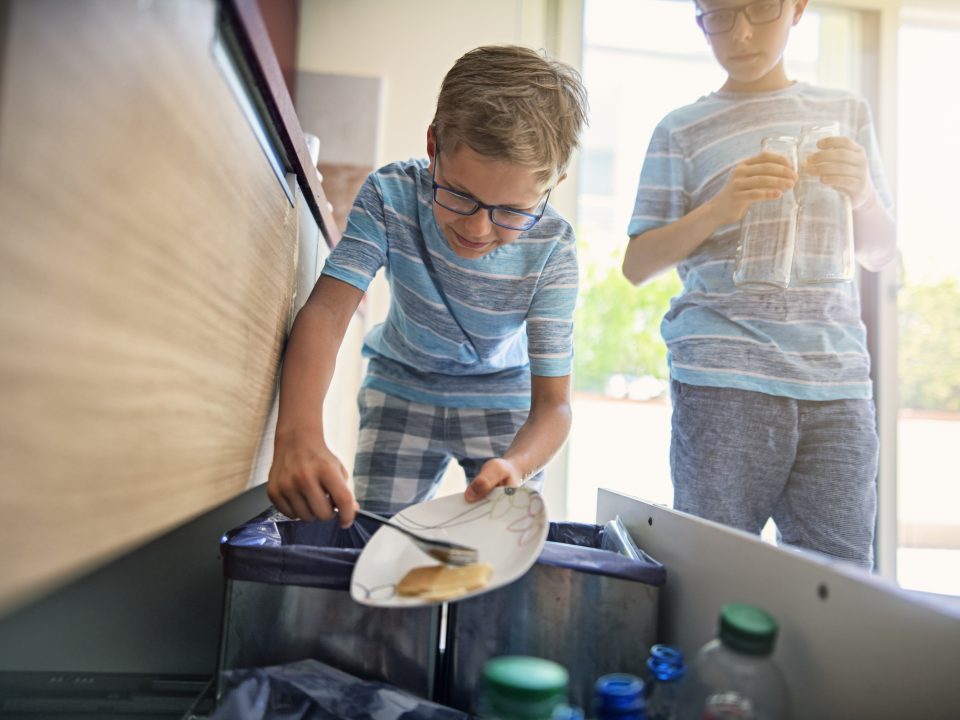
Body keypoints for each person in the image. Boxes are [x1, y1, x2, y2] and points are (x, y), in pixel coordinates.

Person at [622, 0, 897, 567]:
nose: (740, 32)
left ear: (796, 8)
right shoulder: (680, 128)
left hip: (837, 383)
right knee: (713, 575)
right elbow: (637, 262)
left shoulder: (845, 111)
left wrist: (864, 194)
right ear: (699, 20)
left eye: (758, 9)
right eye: (718, 15)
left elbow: (880, 251)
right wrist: (720, 208)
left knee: (840, 581)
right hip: (723, 375)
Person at [268, 45, 589, 527]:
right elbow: (327, 314)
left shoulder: (554, 251)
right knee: (377, 538)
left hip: (503, 399)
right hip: (401, 385)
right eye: (459, 195)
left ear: (552, 186)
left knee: (503, 541)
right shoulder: (390, 195)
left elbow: (554, 406)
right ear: (434, 147)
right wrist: (297, 433)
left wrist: (518, 464)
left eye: (512, 212)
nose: (479, 229)